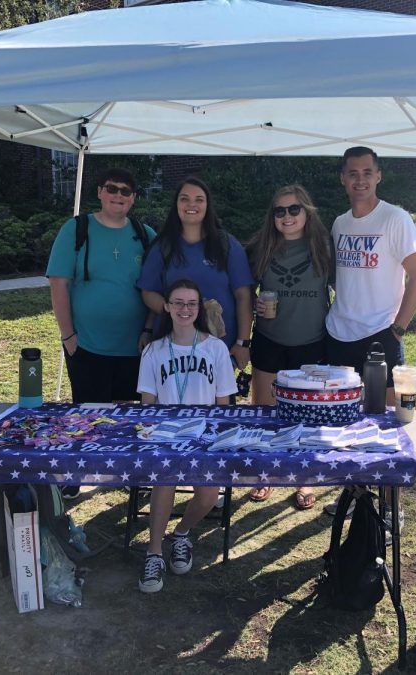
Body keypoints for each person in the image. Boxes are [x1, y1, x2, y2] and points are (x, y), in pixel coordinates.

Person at [324, 146, 416, 524]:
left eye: (367, 172)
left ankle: (391, 507)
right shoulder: (339, 223)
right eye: (352, 173)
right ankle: (353, 494)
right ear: (343, 179)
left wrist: (398, 329)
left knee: (386, 425)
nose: (360, 179)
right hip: (339, 334)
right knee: (346, 423)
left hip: (380, 336)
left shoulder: (395, 219)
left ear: (379, 176)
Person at [46, 168, 156, 498]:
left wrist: (149, 328)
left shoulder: (145, 233)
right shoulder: (76, 229)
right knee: (86, 412)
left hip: (133, 344)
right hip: (87, 342)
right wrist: (68, 335)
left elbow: (156, 286)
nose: (118, 195)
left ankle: (125, 471)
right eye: (112, 188)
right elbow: (59, 283)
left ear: (134, 198)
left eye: (126, 190)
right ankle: (76, 472)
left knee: (127, 413)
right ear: (100, 191)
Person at [136, 278, 238, 593]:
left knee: (209, 495)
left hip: (204, 434)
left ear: (199, 307)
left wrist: (218, 439)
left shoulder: (216, 348)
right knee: (164, 481)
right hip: (167, 434)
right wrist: (153, 436)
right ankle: (154, 552)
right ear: (166, 306)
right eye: (178, 302)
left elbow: (224, 404)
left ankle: (181, 533)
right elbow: (147, 406)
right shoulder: (154, 351)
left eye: (191, 303)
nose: (184, 309)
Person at [245, 184, 334, 510]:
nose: (286, 216)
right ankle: (265, 473)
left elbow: (349, 287)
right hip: (270, 340)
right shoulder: (260, 247)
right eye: (279, 211)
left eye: (293, 209)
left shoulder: (324, 247)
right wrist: (254, 303)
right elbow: (242, 293)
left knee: (307, 416)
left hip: (311, 342)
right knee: (265, 412)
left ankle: (304, 478)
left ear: (306, 211)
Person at [137, 177, 254, 372]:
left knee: (219, 401)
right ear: (176, 205)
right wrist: (179, 312)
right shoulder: (162, 247)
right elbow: (148, 292)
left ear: (208, 205)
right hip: (171, 347)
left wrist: (243, 343)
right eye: (184, 199)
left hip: (220, 348)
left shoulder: (227, 245)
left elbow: (244, 296)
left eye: (199, 199)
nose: (192, 204)